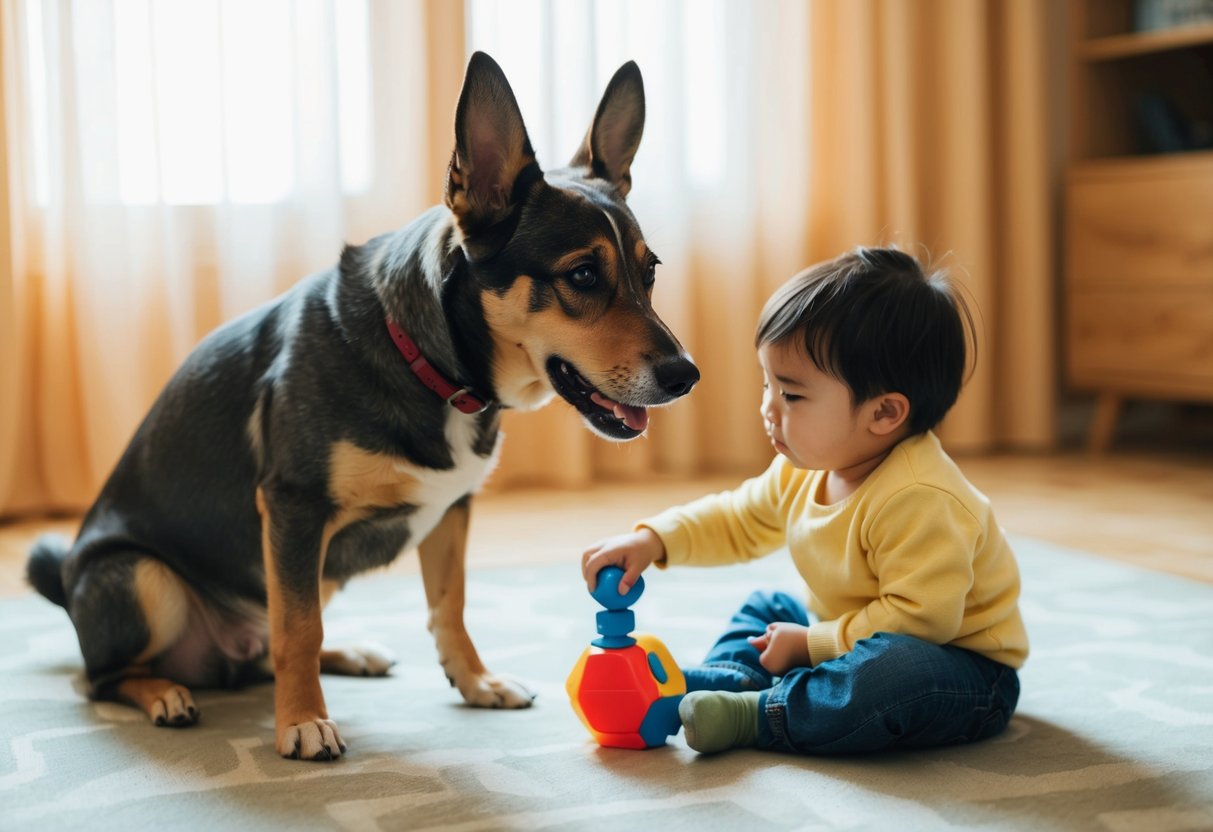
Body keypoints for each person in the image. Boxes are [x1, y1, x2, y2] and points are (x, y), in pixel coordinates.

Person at [581, 246, 1028, 755]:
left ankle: (761, 716)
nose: (769, 408)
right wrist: (653, 540)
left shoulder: (921, 498)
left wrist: (810, 645)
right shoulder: (802, 470)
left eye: (791, 395)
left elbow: (920, 621)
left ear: (884, 413)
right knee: (768, 606)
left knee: (892, 672)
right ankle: (726, 681)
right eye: (766, 383)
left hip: (960, 668)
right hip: (844, 635)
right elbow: (737, 519)